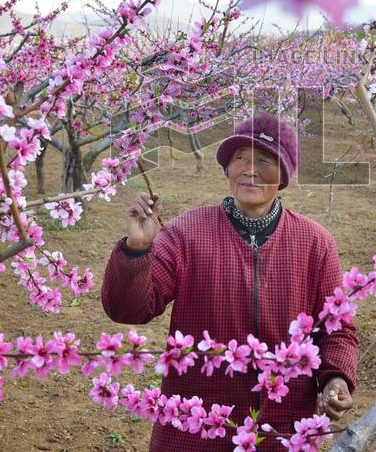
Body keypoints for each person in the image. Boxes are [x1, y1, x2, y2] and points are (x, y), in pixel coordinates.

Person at [101, 112, 359, 450]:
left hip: (281, 426)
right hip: (193, 426)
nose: (250, 170)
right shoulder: (186, 233)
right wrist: (137, 248)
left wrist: (335, 376)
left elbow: (336, 330)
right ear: (227, 169)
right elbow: (129, 310)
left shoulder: (315, 243)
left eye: (265, 160)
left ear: (284, 175)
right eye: (240, 158)